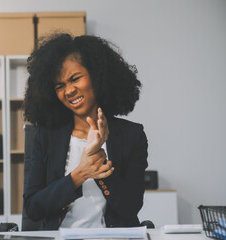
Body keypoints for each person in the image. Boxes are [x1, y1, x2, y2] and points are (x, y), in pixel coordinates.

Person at [23, 33, 148, 230]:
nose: (69, 90)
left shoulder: (131, 136)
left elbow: (129, 208)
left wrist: (99, 162)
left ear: (96, 76)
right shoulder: (46, 136)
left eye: (75, 79)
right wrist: (78, 175)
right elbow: (33, 208)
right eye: (60, 86)